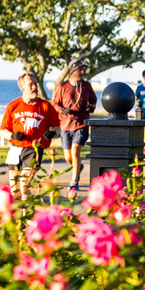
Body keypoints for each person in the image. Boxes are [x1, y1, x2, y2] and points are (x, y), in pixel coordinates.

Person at [1, 74, 60, 201]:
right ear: (22, 87)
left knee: (24, 185)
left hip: (34, 150)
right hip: (15, 150)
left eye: (36, 84)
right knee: (15, 191)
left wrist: (52, 133)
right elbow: (3, 132)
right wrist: (13, 135)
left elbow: (58, 128)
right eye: (30, 84)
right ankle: (19, 216)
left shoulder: (46, 106)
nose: (35, 87)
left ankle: (26, 217)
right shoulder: (13, 106)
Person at [51, 60, 97, 198]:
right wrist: (61, 110)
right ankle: (78, 168)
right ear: (72, 71)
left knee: (76, 149)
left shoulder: (87, 86)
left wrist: (92, 107)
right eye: (80, 70)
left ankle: (74, 181)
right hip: (65, 125)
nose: (82, 72)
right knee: (68, 157)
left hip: (81, 124)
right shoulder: (62, 86)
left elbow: (93, 100)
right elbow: (54, 103)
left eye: (83, 70)